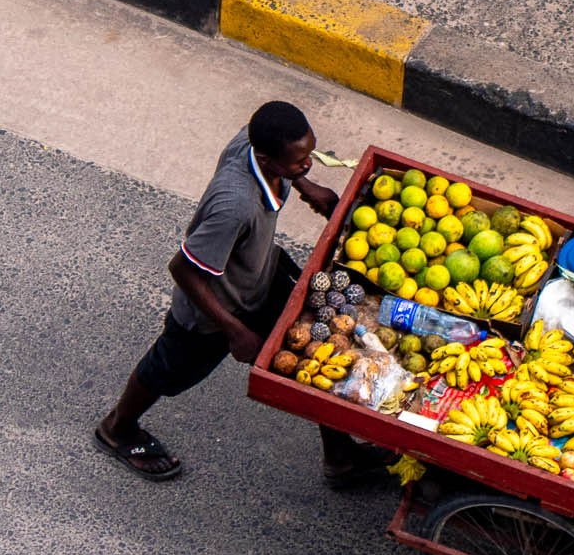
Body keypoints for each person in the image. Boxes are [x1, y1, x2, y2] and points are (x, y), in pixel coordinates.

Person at [95, 101, 392, 485]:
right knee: (167, 371)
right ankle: (117, 428)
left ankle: (340, 458)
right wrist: (234, 330)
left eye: (309, 154)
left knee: (317, 355)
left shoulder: (254, 144)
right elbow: (182, 268)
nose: (308, 165)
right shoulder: (234, 206)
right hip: (214, 309)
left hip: (261, 277)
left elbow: (268, 145)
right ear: (266, 160)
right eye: (298, 162)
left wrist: (304, 186)